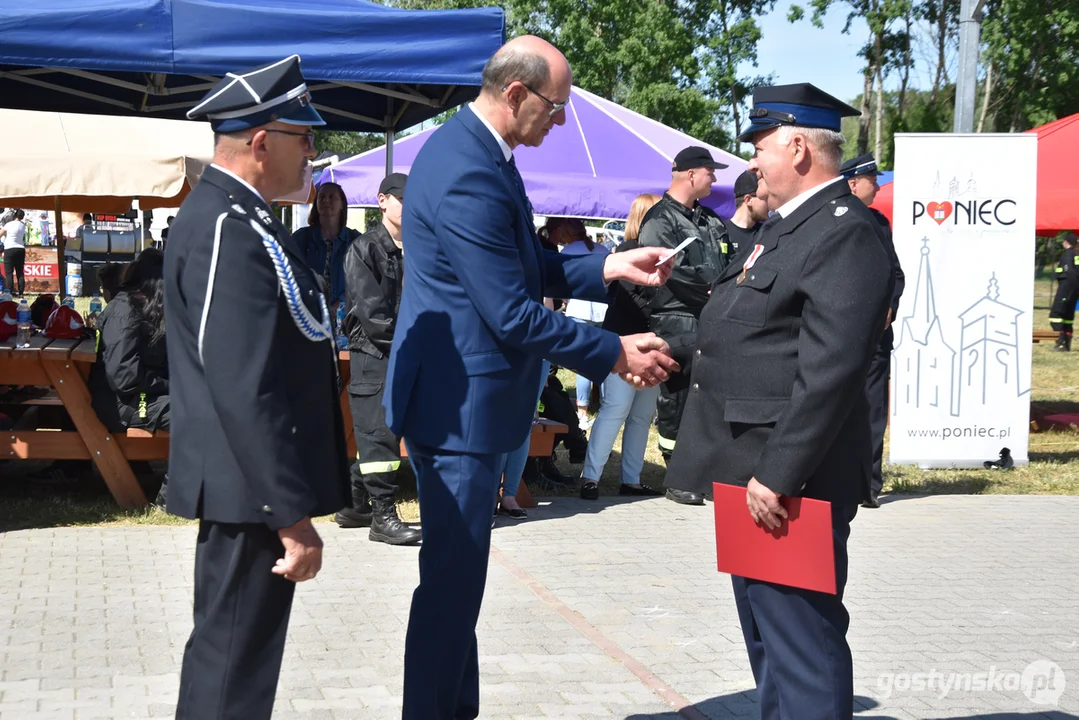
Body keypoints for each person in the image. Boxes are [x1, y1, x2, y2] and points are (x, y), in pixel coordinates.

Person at [384, 35, 679, 720]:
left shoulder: (485, 154)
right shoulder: (466, 168)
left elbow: (526, 267)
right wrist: (612, 353)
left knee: (456, 595)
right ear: (514, 94)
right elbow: (511, 313)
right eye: (555, 106)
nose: (560, 120)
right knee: (450, 595)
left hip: (466, 404)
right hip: (457, 410)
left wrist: (608, 266)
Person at [664, 83, 894, 719]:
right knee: (768, 638)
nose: (753, 163)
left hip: (787, 479)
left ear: (797, 147)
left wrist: (780, 472)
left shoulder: (845, 234)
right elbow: (748, 330)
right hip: (749, 466)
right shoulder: (789, 228)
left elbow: (832, 370)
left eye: (760, 148)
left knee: (801, 641)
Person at [163, 55, 349, 720]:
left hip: (252, 490)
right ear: (263, 142)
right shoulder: (224, 227)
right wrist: (290, 516)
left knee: (236, 659)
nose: (313, 156)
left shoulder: (243, 218)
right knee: (231, 667)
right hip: (251, 493)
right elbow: (243, 386)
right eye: (305, 140)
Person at [637, 145, 732, 506]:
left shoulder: (710, 220)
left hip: (711, 317)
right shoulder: (660, 220)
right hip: (675, 318)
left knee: (705, 397)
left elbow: (730, 263)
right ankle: (677, 476)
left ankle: (700, 470)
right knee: (677, 397)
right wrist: (710, 290)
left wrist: (723, 291)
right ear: (691, 174)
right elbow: (666, 271)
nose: (715, 178)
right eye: (711, 171)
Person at [334, 172, 421, 545]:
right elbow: (373, 316)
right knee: (378, 435)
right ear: (383, 200)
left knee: (386, 434)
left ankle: (354, 505)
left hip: (410, 352)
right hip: (374, 354)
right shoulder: (364, 249)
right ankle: (382, 517)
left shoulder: (420, 246)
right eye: (402, 198)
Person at [578, 193, 664, 500]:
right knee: (616, 410)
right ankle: (590, 478)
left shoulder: (658, 253)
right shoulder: (628, 251)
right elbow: (631, 298)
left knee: (640, 416)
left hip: (652, 343)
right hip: (624, 344)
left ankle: (632, 479)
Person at [842, 152, 905, 507]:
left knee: (874, 410)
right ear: (853, 183)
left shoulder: (880, 223)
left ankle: (869, 484)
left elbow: (895, 274)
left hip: (877, 338)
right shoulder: (832, 218)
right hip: (842, 335)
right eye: (871, 179)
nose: (877, 185)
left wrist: (890, 307)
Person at [554, 218, 610, 429]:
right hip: (603, 312)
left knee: (583, 363)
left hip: (580, 311)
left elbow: (560, 284)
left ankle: (582, 412)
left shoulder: (568, 251)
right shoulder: (601, 249)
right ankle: (607, 408)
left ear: (566, 234)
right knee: (605, 362)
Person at [293, 181, 356, 313]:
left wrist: (340, 304)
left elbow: (361, 281)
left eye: (332, 197)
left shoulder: (355, 240)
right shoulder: (301, 238)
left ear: (342, 205)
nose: (326, 200)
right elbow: (292, 275)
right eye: (321, 197)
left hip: (346, 319)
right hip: (308, 314)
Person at [725, 170, 770, 258]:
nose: (770, 204)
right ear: (748, 200)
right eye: (765, 198)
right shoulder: (721, 233)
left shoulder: (766, 234)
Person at [1049, 231, 1078, 351]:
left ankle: (1060, 343)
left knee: (1056, 315)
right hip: (1075, 289)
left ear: (1066, 242)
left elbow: (1069, 272)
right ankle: (1066, 344)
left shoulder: (1067, 254)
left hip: (1066, 288)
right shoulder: (1077, 254)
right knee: (1067, 316)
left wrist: (1069, 289)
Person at [0, 209, 27, 296]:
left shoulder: (9, 224)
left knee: (9, 273)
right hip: (20, 249)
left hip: (9, 248)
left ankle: (9, 293)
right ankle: (21, 293)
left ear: (14, 216)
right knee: (20, 272)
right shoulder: (23, 225)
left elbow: (1, 233)